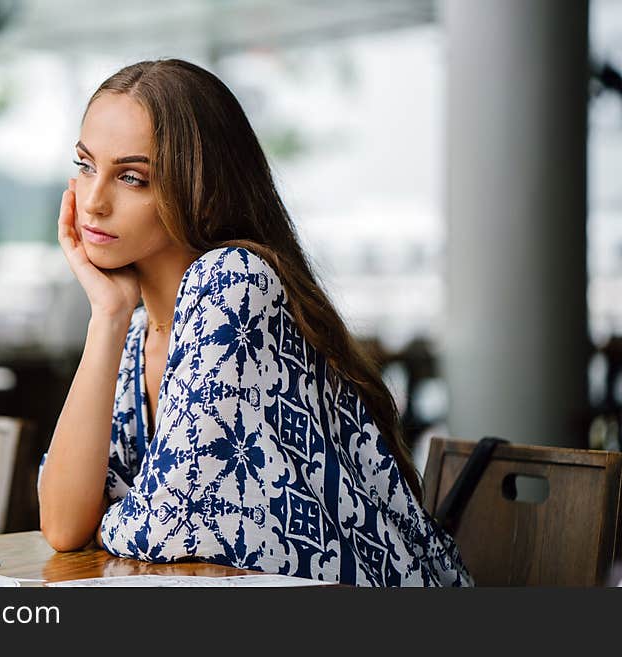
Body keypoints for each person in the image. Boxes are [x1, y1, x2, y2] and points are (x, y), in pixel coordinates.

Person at [37, 59, 471, 586]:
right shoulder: (134, 335)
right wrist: (106, 317)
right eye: (85, 166)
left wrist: (113, 513)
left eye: (132, 177)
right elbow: (62, 525)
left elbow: (164, 525)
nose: (95, 201)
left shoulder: (235, 284)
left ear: (201, 188)